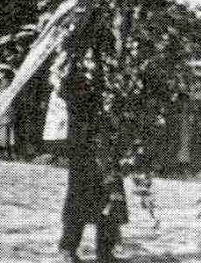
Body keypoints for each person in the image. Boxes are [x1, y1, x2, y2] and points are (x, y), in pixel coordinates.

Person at [58, 56, 127, 263]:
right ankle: (69, 247)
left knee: (110, 196)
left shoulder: (114, 71)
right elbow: (69, 95)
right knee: (79, 197)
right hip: (84, 149)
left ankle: (105, 249)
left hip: (106, 148)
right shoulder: (76, 70)